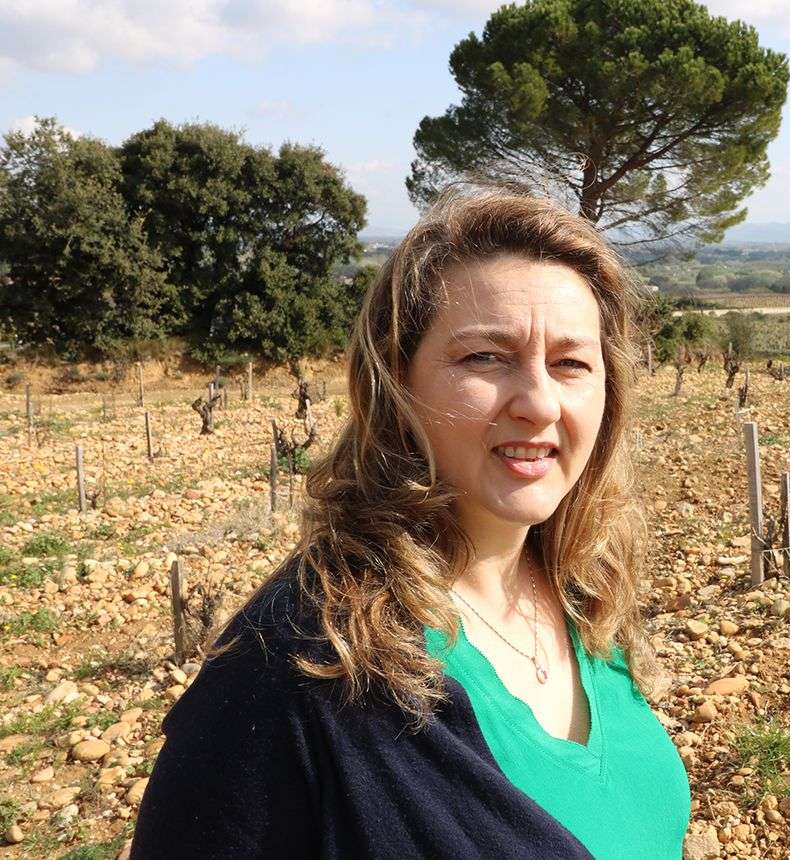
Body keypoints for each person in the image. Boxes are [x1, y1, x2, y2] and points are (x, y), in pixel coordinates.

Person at [129, 188, 692, 858]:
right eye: (485, 356)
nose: (540, 403)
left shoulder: (585, 592)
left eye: (571, 363)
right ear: (398, 384)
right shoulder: (296, 666)